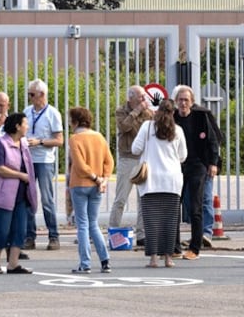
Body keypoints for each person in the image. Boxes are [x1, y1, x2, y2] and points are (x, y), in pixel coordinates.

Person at [133, 99, 188, 268]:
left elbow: (135, 149)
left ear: (157, 111)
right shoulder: (178, 130)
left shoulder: (147, 127)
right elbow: (183, 156)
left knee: (152, 222)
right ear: (173, 113)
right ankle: (168, 258)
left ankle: (153, 259)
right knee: (170, 222)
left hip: (151, 181)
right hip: (172, 181)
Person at [0, 112, 37, 275]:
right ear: (17, 126)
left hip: (21, 195)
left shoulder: (23, 144)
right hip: (4, 194)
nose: (27, 127)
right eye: (25, 124)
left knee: (20, 230)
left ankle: (13, 264)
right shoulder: (0, 144)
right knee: (2, 230)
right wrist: (20, 175)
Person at [172, 85, 221, 260]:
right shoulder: (172, 118)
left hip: (198, 165)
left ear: (191, 102)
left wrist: (213, 163)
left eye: (186, 100)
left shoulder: (201, 116)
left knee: (195, 207)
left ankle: (195, 247)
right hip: (177, 167)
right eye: (180, 100)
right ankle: (175, 247)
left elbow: (213, 141)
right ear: (176, 102)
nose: (183, 103)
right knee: (174, 206)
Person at [67, 107, 114, 274]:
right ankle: (105, 260)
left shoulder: (74, 139)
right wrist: (103, 179)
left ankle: (85, 263)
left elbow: (79, 165)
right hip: (97, 186)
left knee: (82, 224)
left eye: (71, 120)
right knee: (93, 223)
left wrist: (94, 177)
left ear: (76, 121)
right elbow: (109, 161)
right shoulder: (99, 137)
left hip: (80, 184)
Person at [22, 79, 64, 251]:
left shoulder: (52, 113)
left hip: (45, 161)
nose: (30, 98)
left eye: (32, 94)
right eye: (29, 94)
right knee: (28, 199)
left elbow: (59, 140)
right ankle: (29, 236)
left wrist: (39, 141)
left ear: (42, 95)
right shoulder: (27, 111)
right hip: (28, 159)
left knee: (47, 199)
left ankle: (54, 236)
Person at [110, 85, 153, 246]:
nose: (143, 100)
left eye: (144, 97)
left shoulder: (148, 113)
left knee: (143, 199)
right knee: (121, 198)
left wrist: (146, 111)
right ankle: (113, 230)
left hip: (142, 158)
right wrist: (136, 112)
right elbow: (124, 127)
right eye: (140, 96)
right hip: (127, 158)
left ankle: (142, 235)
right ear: (131, 98)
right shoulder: (121, 111)